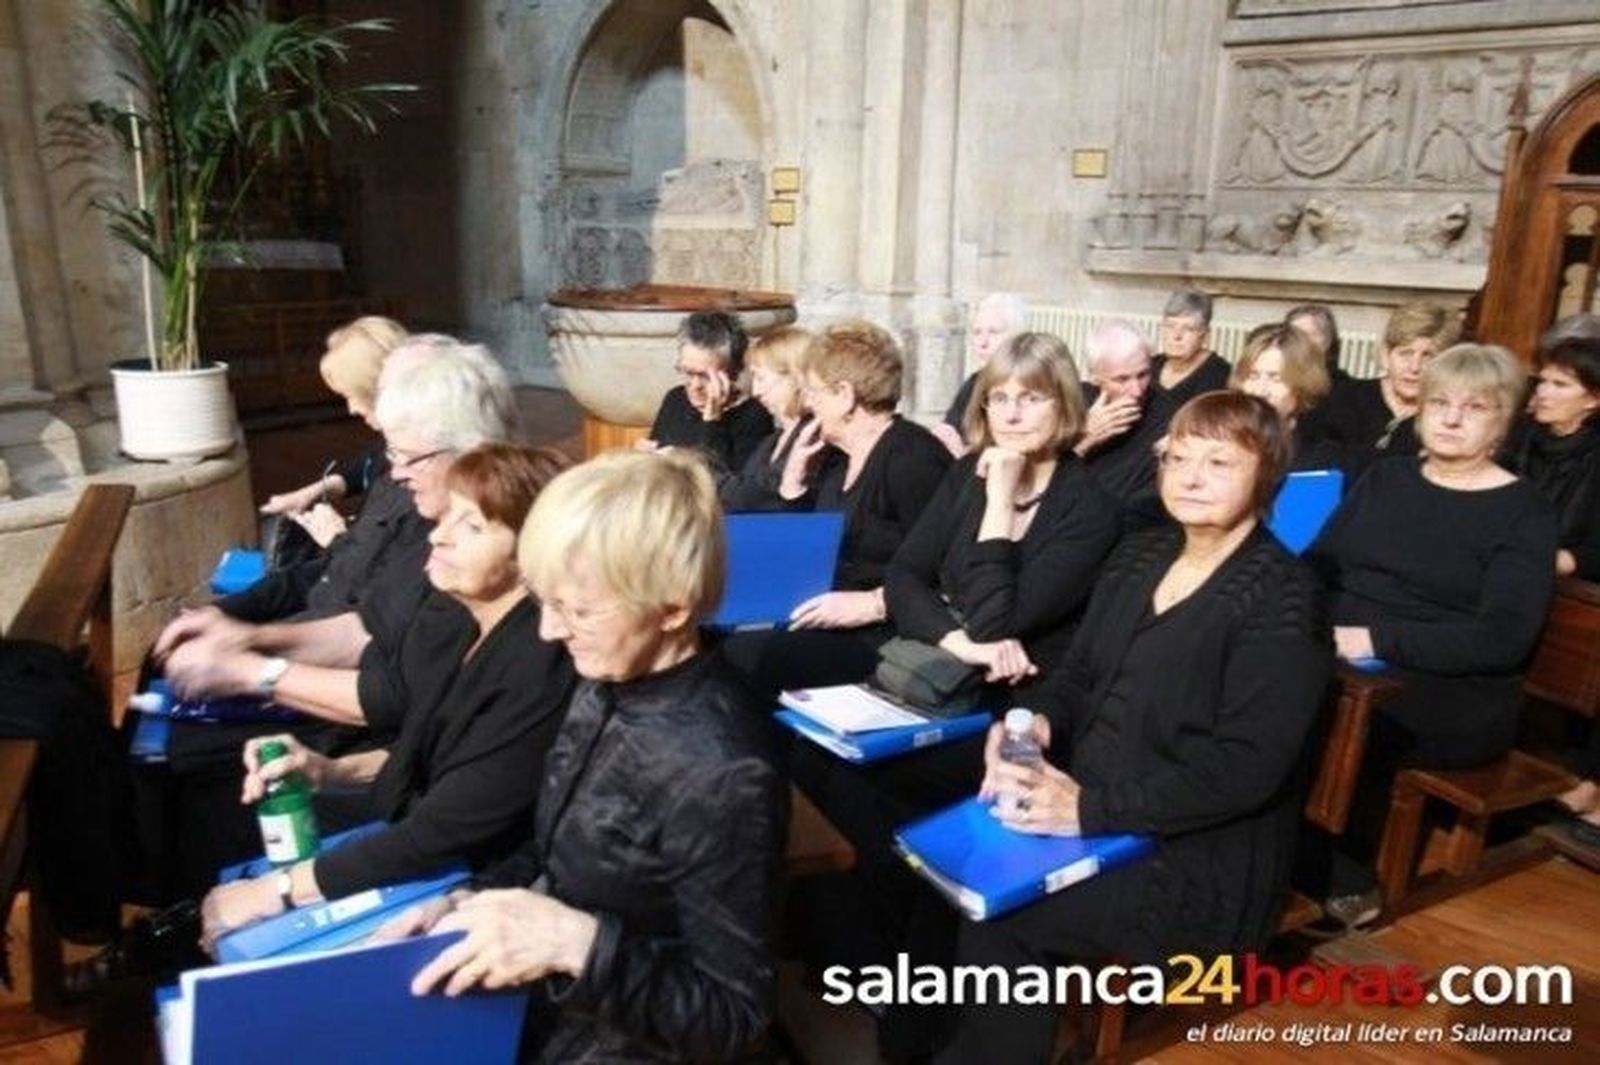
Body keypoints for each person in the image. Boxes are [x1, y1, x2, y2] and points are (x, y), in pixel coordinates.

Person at [935, 392, 1331, 1063]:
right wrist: (1029, 725)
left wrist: (1088, 808)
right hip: (1094, 807)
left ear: (1265, 477)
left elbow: (1246, 768)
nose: (1191, 477)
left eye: (1218, 462)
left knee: (1002, 919)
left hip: (1195, 853)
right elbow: (1078, 676)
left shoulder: (1284, 599)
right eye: (1178, 458)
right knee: (947, 874)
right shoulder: (1139, 555)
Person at [381, 451, 786, 1063]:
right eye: (545, 600)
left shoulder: (722, 772)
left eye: (578, 610)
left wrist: (577, 945)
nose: (548, 631)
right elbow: (564, 850)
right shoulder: (606, 678)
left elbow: (734, 1017)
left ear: (673, 609)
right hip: (554, 1016)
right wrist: (474, 900)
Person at [150, 338, 522, 893]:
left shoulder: (487, 576)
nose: (392, 472)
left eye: (405, 456)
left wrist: (255, 670)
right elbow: (369, 626)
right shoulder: (445, 536)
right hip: (391, 768)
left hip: (405, 789)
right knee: (179, 750)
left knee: (214, 795)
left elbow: (411, 723)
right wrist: (244, 635)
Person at [197, 446, 578, 950]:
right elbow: (435, 756)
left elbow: (446, 827)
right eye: (448, 516)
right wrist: (326, 770)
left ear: (530, 557)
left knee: (238, 874)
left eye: (473, 527)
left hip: (483, 881)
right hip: (424, 835)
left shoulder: (539, 665)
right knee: (226, 814)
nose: (439, 535)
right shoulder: (457, 623)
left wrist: (277, 892)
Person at [1301, 344, 1557, 928]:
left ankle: (1339, 877)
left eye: (1474, 407)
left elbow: (1500, 639)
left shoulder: (1525, 512)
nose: (1450, 417)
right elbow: (1319, 563)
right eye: (1439, 402)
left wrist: (1373, 639)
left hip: (1453, 686)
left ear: (1505, 420)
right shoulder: (1387, 476)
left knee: (1327, 712)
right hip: (1343, 650)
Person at [721, 320, 952, 695]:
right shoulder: (835, 457)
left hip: (885, 633)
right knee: (715, 641)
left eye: (814, 391)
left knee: (752, 658)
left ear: (845, 395)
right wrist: (793, 484)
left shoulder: (913, 459)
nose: (808, 403)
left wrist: (871, 604)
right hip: (825, 616)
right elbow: (803, 548)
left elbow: (948, 572)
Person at [888, 331, 1121, 682]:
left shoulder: (1092, 509)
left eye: (1030, 398)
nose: (1011, 415)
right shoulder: (967, 472)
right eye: (998, 398)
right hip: (943, 663)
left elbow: (993, 625)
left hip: (1022, 686)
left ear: (1064, 404)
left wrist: (999, 502)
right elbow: (902, 576)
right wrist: (961, 644)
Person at [220, 316, 417, 623]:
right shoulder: (396, 448)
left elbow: (381, 583)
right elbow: (366, 466)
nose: (351, 409)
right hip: (339, 573)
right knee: (213, 617)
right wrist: (313, 492)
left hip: (353, 604)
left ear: (378, 390)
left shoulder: (420, 475)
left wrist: (338, 538)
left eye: (352, 396)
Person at [1313, 300, 1461, 475]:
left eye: (1428, 356)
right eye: (1405, 353)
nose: (1414, 367)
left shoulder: (1447, 421)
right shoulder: (1342, 397)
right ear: (1385, 354)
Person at [644, 310, 773, 472]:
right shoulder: (675, 399)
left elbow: (731, 488)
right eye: (688, 372)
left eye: (705, 376)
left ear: (733, 372)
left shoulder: (754, 416)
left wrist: (713, 421)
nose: (695, 385)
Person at [1074, 320, 1167, 524]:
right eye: (1122, 380)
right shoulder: (1074, 403)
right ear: (1095, 377)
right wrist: (1084, 441)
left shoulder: (1168, 415)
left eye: (1143, 375)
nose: (1137, 391)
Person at [716, 325, 814, 511]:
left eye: (760, 378)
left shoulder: (813, 435)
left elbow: (753, 497)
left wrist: (691, 470)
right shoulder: (774, 439)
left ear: (794, 378)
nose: (756, 391)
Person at [934, 293, 1030, 457]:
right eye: (977, 332)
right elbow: (950, 430)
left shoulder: (1028, 386)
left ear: (1018, 337)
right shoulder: (975, 382)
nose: (982, 342)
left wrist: (961, 456)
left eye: (993, 332)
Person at [1230, 322, 1337, 469]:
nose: (1260, 391)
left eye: (1276, 378)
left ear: (1303, 384)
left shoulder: (1322, 459)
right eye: (1253, 376)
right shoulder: (1221, 443)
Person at [1153, 289, 1231, 407]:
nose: (1177, 335)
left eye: (1188, 328)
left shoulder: (1219, 374)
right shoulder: (1151, 365)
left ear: (1204, 333)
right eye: (1170, 326)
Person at [1285, 302, 1348, 385]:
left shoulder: (1349, 390)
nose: (1301, 341)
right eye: (1294, 335)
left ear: (1328, 340)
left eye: (1309, 335)